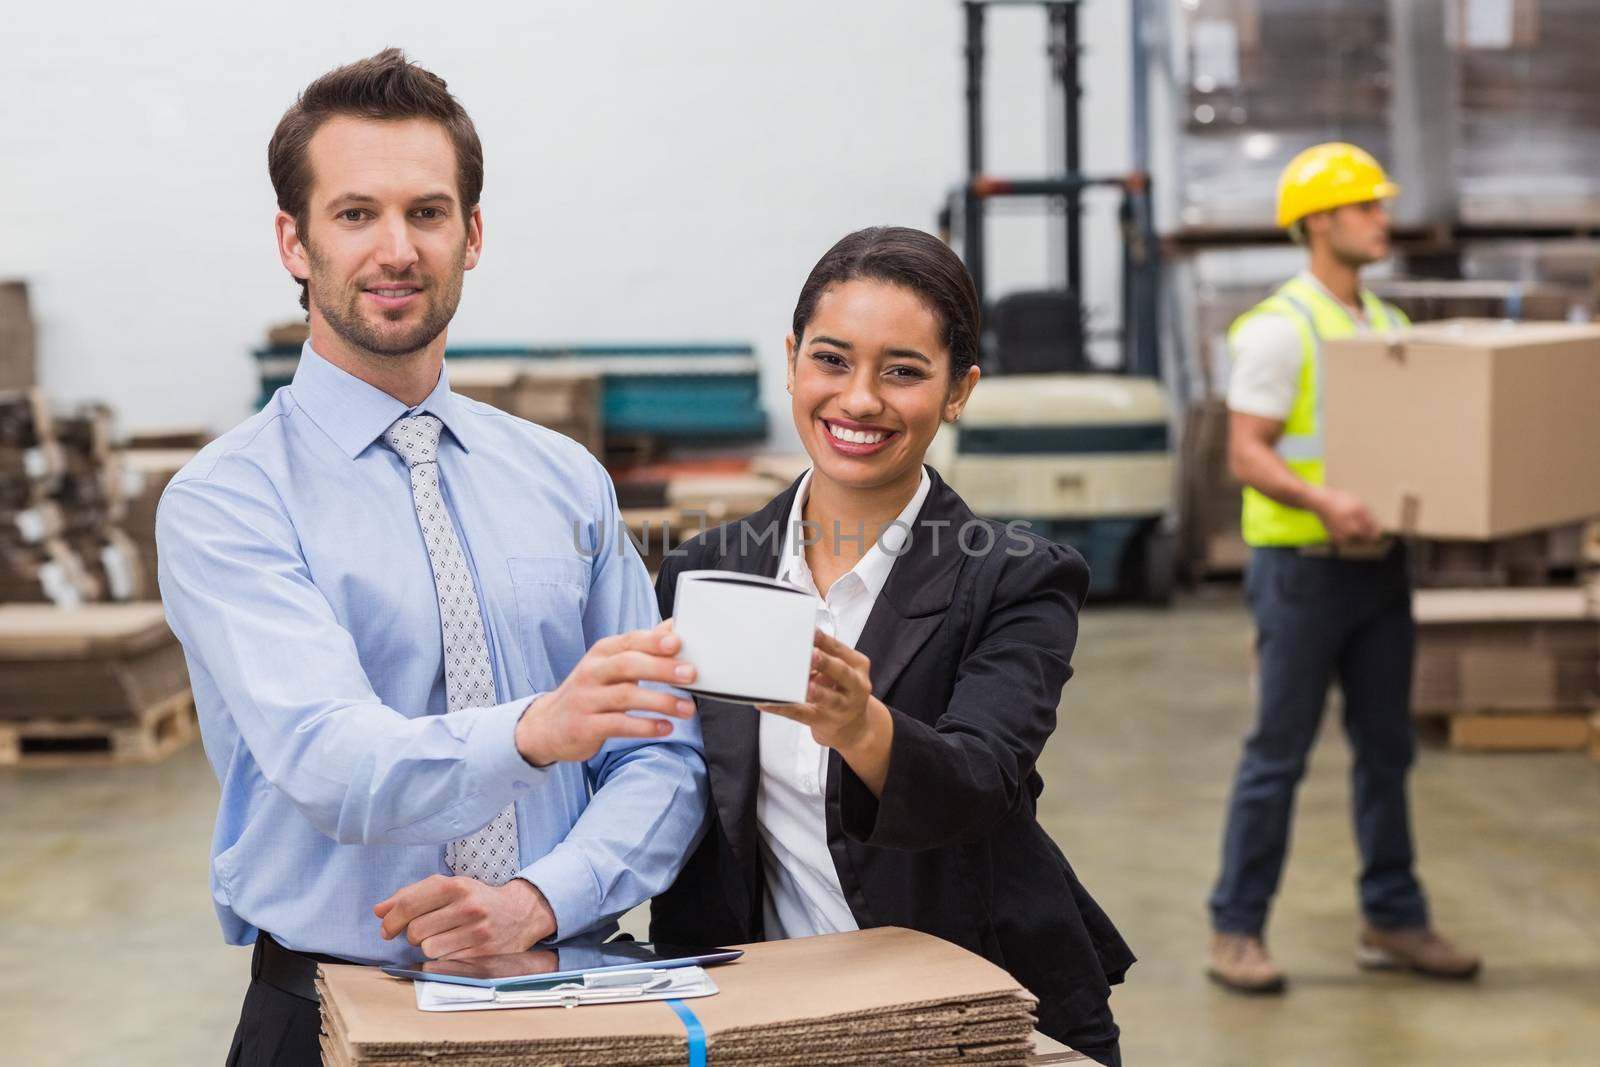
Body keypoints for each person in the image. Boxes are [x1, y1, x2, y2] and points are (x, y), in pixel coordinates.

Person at [155, 50, 708, 1066]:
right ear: (295, 240)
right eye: (356, 213)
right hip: (327, 1012)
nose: (396, 248)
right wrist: (538, 729)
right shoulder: (226, 501)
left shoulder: (565, 480)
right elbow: (329, 757)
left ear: (473, 233)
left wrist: (541, 897)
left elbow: (660, 753)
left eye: (428, 212)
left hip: (569, 983)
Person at [648, 226, 1133, 1065]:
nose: (860, 398)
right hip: (772, 1013)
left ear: (958, 391)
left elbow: (980, 784)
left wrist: (861, 726)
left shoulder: (1018, 579)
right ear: (794, 358)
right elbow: (672, 792)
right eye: (832, 360)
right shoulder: (708, 574)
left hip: (973, 1012)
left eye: (903, 370)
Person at [1205, 142, 1481, 993]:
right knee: (1277, 754)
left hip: (1379, 567)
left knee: (1388, 750)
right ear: (1320, 221)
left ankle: (1392, 918)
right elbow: (1246, 455)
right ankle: (1236, 928)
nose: (1382, 219)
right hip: (1302, 570)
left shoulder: (1388, 328)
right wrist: (1327, 502)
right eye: (1366, 205)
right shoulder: (1281, 331)